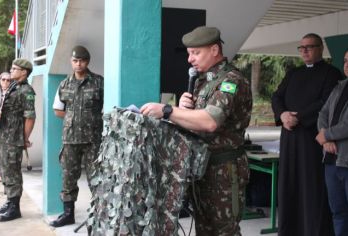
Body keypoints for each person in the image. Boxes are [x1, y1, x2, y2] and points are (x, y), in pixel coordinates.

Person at [140, 26, 252, 235]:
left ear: (214, 50)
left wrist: (167, 110)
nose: (190, 59)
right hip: (203, 168)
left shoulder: (231, 81)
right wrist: (183, 110)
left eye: (196, 53)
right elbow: (196, 122)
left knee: (224, 230)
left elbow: (210, 121)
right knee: (204, 228)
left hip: (224, 171)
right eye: (189, 53)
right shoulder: (203, 81)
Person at [272, 33, 343, 236]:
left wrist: (299, 117)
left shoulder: (332, 73)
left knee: (311, 188)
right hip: (289, 139)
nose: (304, 51)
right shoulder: (293, 73)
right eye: (301, 47)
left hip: (312, 140)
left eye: (309, 47)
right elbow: (277, 96)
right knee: (289, 186)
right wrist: (283, 114)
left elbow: (326, 104)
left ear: (321, 48)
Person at [50, 45, 104, 227]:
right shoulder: (64, 84)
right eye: (75, 60)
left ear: (87, 61)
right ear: (71, 61)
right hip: (70, 139)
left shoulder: (98, 82)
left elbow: (107, 106)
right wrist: (74, 118)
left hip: (93, 140)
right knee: (68, 177)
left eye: (81, 60)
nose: (78, 64)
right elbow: (58, 109)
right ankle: (68, 214)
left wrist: (90, 119)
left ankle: (98, 215)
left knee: (96, 177)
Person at [0, 59, 36, 222]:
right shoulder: (13, 87)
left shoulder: (26, 91)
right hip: (5, 136)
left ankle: (14, 208)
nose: (11, 70)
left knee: (12, 173)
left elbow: (30, 117)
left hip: (14, 139)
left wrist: (25, 138)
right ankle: (10, 202)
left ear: (24, 72)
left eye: (14, 68)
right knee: (5, 171)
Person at [316, 49, 348, 236]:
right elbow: (323, 113)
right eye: (345, 60)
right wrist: (324, 137)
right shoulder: (340, 86)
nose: (346, 64)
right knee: (338, 212)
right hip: (331, 161)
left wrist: (326, 135)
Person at [0, 72, 12, 182]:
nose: (5, 82)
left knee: (4, 150)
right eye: (3, 79)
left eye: (8, 80)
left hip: (6, 126)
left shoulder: (12, 94)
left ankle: (4, 173)